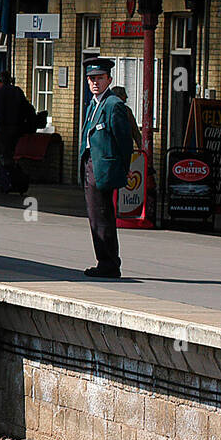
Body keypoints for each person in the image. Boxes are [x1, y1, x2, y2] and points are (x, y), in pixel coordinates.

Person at [78, 58, 135, 278]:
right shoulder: (93, 103)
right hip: (90, 164)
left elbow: (124, 140)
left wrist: (124, 167)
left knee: (101, 215)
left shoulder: (113, 105)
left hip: (103, 168)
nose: (95, 83)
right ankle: (105, 260)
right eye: (91, 79)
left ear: (109, 79)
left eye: (100, 78)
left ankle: (109, 264)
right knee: (96, 216)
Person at [0, 70, 37, 195]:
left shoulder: (0, 93)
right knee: (9, 156)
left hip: (3, 131)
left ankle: (6, 183)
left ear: (0, 81)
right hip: (16, 130)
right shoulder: (17, 91)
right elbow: (27, 108)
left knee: (3, 158)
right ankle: (12, 182)